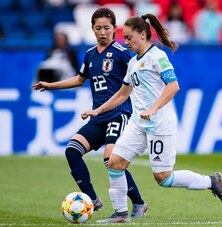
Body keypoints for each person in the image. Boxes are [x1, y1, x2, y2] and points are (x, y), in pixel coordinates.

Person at [81, 13, 222, 223]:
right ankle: (121, 214)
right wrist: (98, 111)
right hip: (137, 123)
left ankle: (211, 181)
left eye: (130, 37)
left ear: (143, 34)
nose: (126, 42)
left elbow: (173, 86)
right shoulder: (133, 62)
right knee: (114, 163)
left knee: (163, 178)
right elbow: (123, 94)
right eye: (125, 37)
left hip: (159, 123)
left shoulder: (157, 56)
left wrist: (153, 108)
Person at [32, 8, 148, 218]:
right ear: (92, 29)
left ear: (114, 29)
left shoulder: (122, 53)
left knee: (110, 160)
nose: (102, 32)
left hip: (119, 113)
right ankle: (92, 200)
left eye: (107, 28)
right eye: (98, 28)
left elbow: (136, 79)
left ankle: (138, 203)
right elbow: (79, 79)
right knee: (72, 151)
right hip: (98, 117)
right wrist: (51, 85)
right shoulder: (90, 54)